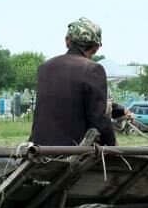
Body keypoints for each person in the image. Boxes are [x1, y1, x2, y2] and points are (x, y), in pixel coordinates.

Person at [30, 17, 132, 146]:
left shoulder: (44, 67)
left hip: (39, 148)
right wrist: (113, 146)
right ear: (96, 48)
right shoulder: (93, 69)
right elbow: (98, 118)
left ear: (67, 41)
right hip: (74, 152)